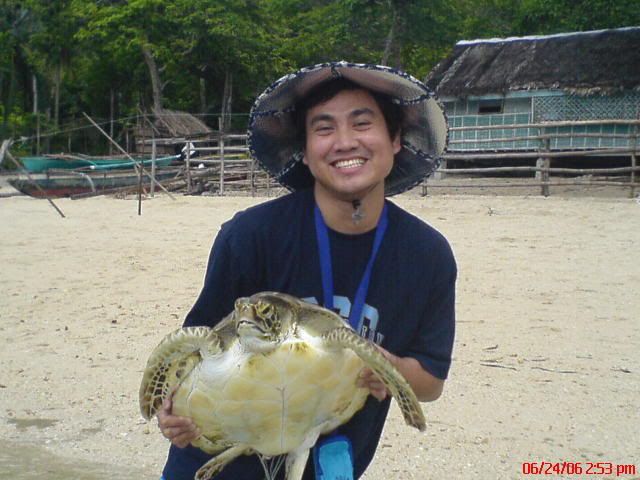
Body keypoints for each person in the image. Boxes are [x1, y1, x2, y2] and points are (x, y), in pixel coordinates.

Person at [157, 61, 456, 480]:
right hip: (218, 461)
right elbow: (192, 350)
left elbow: (430, 383)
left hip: (328, 462)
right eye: (324, 128)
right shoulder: (250, 236)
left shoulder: (427, 255)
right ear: (306, 149)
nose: (345, 142)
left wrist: (387, 367)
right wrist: (170, 406)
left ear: (396, 140)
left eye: (362, 123)